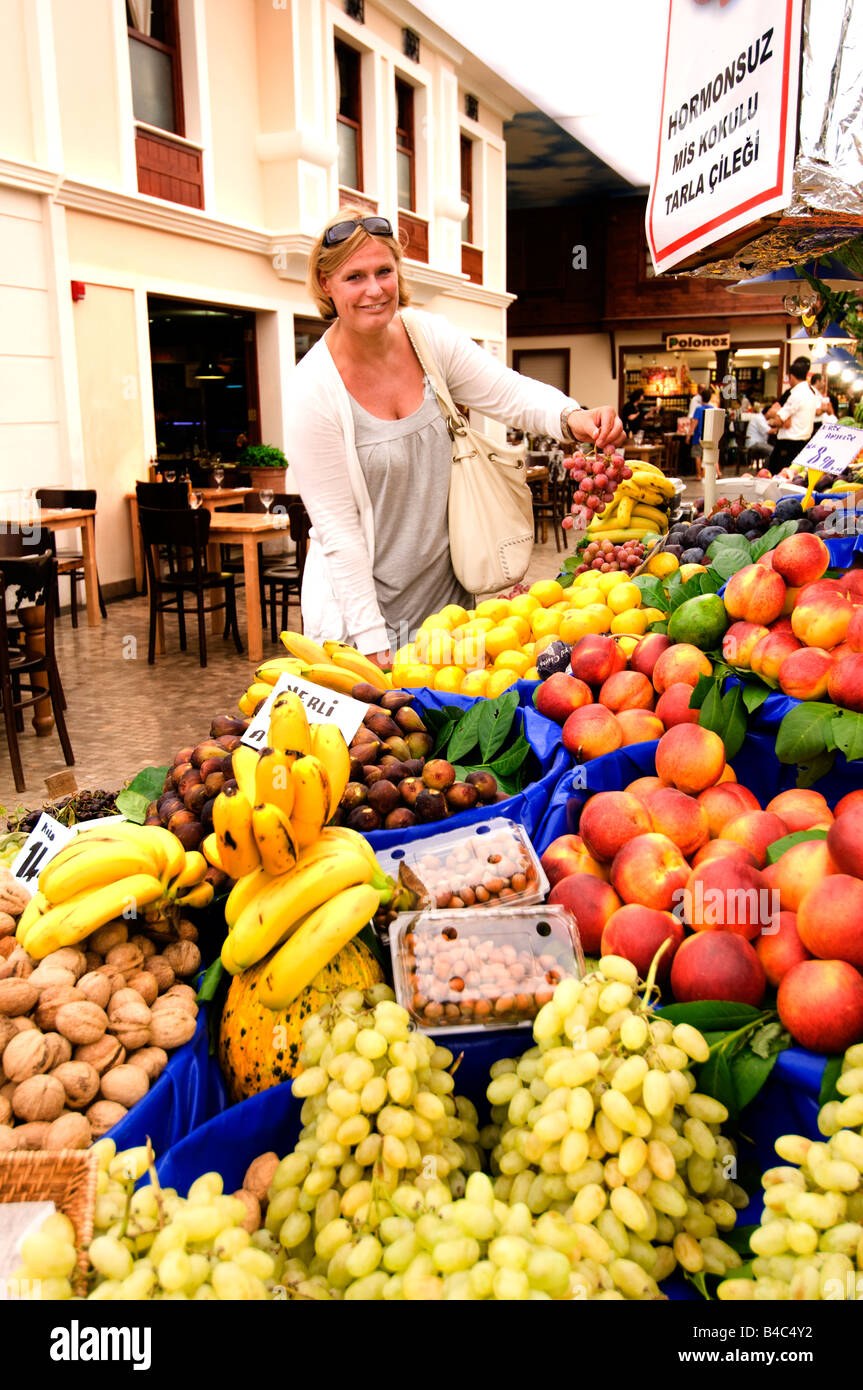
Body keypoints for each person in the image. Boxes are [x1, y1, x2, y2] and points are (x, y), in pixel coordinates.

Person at [285, 209, 625, 666]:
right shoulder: (313, 388)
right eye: (355, 277)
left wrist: (572, 416)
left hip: (450, 608)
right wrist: (372, 642)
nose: (374, 289)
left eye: (384, 271)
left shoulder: (426, 338)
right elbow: (337, 530)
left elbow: (507, 391)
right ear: (326, 283)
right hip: (360, 623)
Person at [765, 358, 818, 474]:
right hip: (804, 442)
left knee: (779, 476)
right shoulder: (811, 393)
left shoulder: (796, 394)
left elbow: (779, 421)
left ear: (792, 376)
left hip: (789, 444)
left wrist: (774, 413)